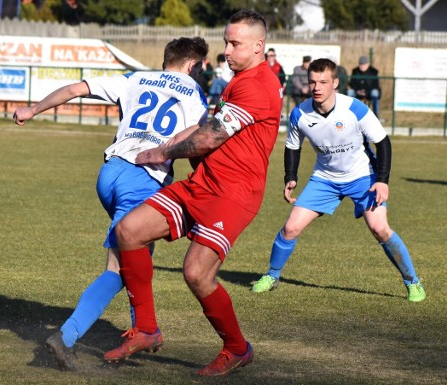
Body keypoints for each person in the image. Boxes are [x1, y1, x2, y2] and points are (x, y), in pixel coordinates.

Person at [13, 36, 210, 371]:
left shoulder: (134, 78)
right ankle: (66, 337)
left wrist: (32, 109)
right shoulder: (193, 91)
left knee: (136, 256)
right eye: (202, 68)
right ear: (193, 65)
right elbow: (191, 135)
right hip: (143, 179)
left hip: (111, 173)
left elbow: (76, 89)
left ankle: (142, 328)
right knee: (119, 269)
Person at [103, 9, 283, 377]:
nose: (227, 51)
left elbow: (211, 137)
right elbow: (205, 125)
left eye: (235, 44)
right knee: (128, 232)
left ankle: (237, 348)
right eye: (226, 42)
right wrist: (174, 139)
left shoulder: (259, 85)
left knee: (196, 273)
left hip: (234, 194)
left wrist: (162, 151)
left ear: (258, 46)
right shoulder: (239, 80)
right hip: (203, 183)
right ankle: (147, 329)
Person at [251, 58, 426, 303]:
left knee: (380, 229)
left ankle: (412, 281)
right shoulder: (299, 114)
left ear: (335, 83)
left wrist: (383, 180)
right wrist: (290, 177)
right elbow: (292, 146)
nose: (317, 87)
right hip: (324, 179)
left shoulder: (354, 108)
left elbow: (382, 142)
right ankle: (272, 275)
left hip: (363, 177)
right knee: (291, 228)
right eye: (312, 82)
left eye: (323, 82)